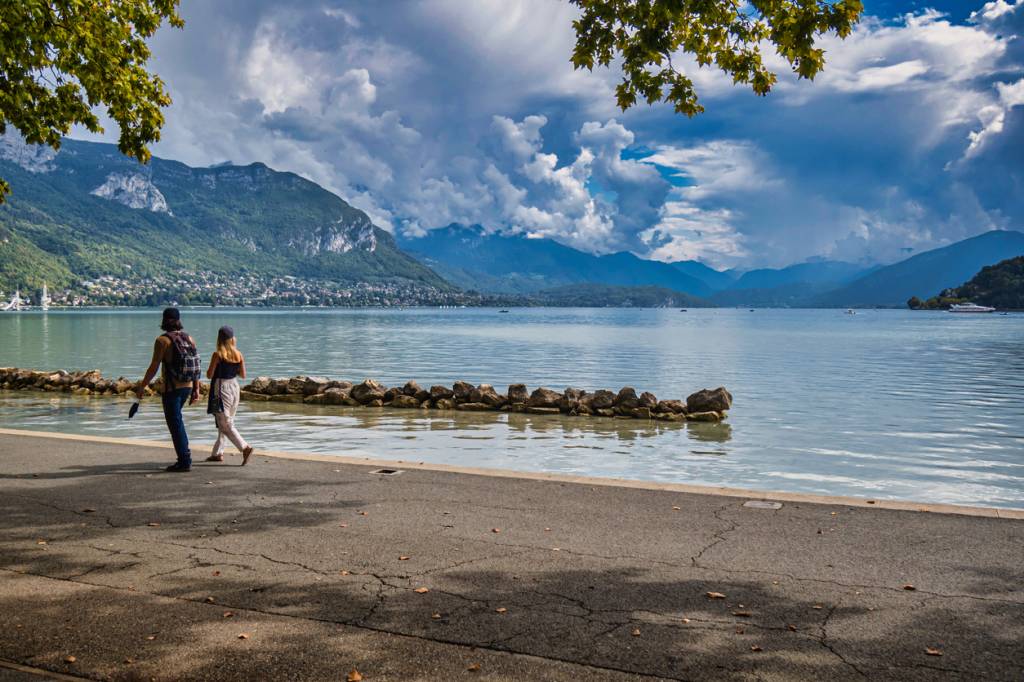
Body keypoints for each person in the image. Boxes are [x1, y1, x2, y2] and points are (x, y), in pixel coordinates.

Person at [135, 307, 202, 472]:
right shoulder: (189, 338)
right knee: (177, 422)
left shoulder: (162, 341)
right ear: (179, 320)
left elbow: (154, 367)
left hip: (171, 389)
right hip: (187, 387)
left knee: (176, 425)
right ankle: (184, 458)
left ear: (164, 320)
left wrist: (142, 386)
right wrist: (196, 389)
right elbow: (196, 365)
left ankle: (185, 460)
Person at [206, 325, 254, 466]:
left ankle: (245, 448)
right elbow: (243, 375)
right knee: (227, 421)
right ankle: (217, 453)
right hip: (234, 386)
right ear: (232, 339)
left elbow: (209, 375)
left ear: (219, 339)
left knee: (225, 423)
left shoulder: (218, 355)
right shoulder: (238, 354)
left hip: (221, 388)